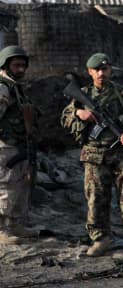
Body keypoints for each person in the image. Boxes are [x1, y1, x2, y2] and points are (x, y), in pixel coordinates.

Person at [61, 53, 123, 257]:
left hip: (121, 153)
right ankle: (101, 238)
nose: (101, 73)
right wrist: (78, 114)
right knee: (96, 199)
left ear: (110, 71)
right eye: (97, 70)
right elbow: (64, 118)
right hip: (94, 154)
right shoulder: (82, 94)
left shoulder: (122, 93)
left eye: (105, 69)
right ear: (90, 72)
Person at [0, 45, 39, 245]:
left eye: (23, 65)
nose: (21, 69)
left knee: (20, 185)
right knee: (6, 187)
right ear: (5, 65)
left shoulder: (15, 86)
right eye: (16, 65)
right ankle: (1, 229)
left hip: (19, 144)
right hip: (5, 146)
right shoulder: (3, 86)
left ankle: (14, 224)